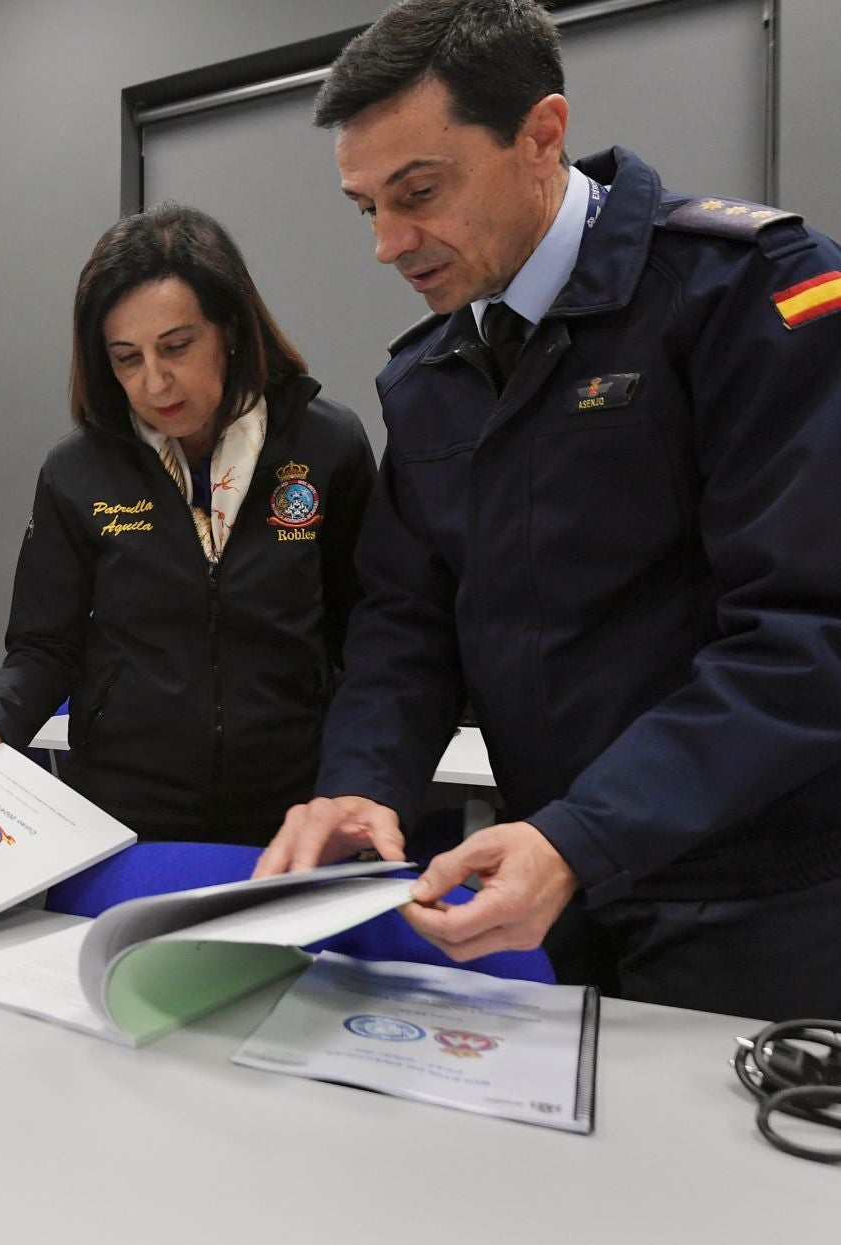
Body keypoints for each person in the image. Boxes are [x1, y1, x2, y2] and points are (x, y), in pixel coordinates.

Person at [254, 0, 841, 1020]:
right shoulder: (430, 374)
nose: (390, 244)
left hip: (754, 896)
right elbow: (407, 621)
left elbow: (808, 629)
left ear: (542, 135)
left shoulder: (747, 294)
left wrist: (587, 834)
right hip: (551, 890)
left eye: (419, 191)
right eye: (367, 208)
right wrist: (363, 782)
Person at [0, 206, 374, 843]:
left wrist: (356, 779)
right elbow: (44, 646)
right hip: (123, 817)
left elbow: (365, 636)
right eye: (126, 358)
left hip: (293, 814)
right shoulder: (78, 471)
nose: (154, 381)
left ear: (228, 328)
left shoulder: (328, 444)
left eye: (176, 346)